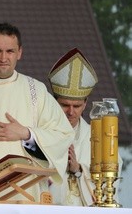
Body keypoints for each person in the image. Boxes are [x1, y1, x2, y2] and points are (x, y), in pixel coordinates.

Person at [0, 23, 75, 202]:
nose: (4, 58)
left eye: (10, 51)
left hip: (29, 194)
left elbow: (63, 135)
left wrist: (27, 134)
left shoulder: (36, 91)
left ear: (19, 52)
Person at [47, 48, 123, 206]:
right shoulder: (42, 134)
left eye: (77, 105)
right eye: (65, 105)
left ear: (86, 104)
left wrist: (79, 170)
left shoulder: (100, 140)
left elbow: (111, 185)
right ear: (54, 102)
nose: (71, 112)